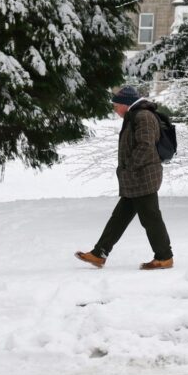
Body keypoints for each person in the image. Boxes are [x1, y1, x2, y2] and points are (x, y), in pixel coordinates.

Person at [75, 86, 174, 270]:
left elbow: (145, 146)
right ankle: (99, 253)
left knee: (150, 218)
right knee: (119, 218)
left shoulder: (142, 116)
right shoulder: (135, 115)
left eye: (115, 105)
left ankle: (164, 257)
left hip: (143, 177)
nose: (114, 109)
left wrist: (130, 168)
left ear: (125, 104)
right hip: (136, 177)